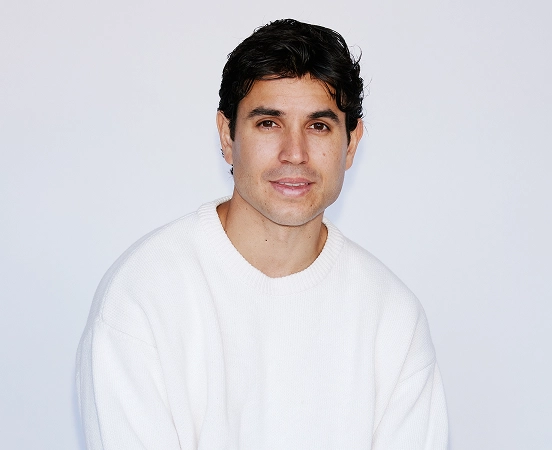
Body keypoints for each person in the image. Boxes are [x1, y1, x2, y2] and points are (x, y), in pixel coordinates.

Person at [76, 19, 448, 449]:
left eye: (319, 126)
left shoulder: (393, 318)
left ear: (351, 143)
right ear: (227, 136)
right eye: (269, 123)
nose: (295, 153)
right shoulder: (142, 296)